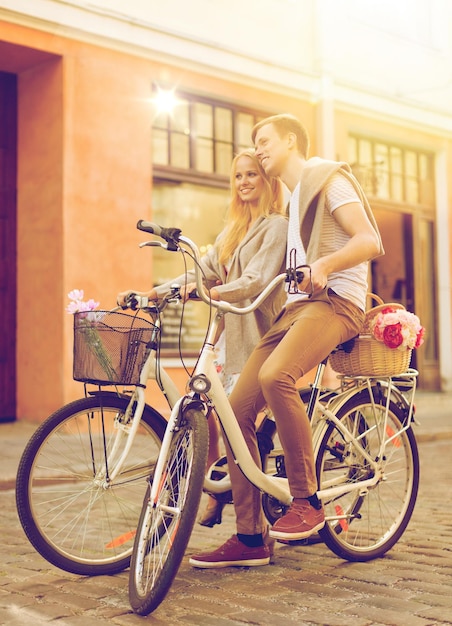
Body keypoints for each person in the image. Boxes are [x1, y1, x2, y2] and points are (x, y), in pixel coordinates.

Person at [189, 113, 384, 569]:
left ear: (292, 141)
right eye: (255, 143)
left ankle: (307, 500)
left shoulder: (327, 178)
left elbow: (369, 240)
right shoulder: (296, 201)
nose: (257, 149)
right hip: (297, 309)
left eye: (265, 141)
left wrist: (326, 265)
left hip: (338, 303)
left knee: (278, 376)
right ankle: (250, 536)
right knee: (235, 413)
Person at [117, 149, 288, 526]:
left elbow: (255, 281)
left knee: (243, 428)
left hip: (260, 337)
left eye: (252, 175)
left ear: (267, 180)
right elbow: (204, 271)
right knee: (216, 416)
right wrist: (156, 292)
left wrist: (212, 293)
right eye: (239, 176)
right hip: (228, 339)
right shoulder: (233, 229)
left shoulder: (275, 226)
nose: (244, 182)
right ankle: (222, 493)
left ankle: (251, 518)